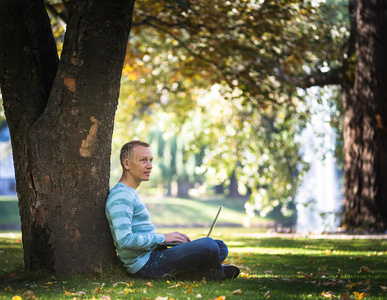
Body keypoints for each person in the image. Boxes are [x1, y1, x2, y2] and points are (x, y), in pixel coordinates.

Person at [105, 140, 240, 281]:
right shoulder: (121, 196)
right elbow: (125, 240)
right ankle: (213, 272)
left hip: (155, 254)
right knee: (209, 246)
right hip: (146, 264)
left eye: (151, 160)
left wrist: (168, 242)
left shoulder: (129, 193)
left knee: (219, 246)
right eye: (143, 160)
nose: (150, 166)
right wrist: (163, 238)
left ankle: (196, 273)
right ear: (126, 164)